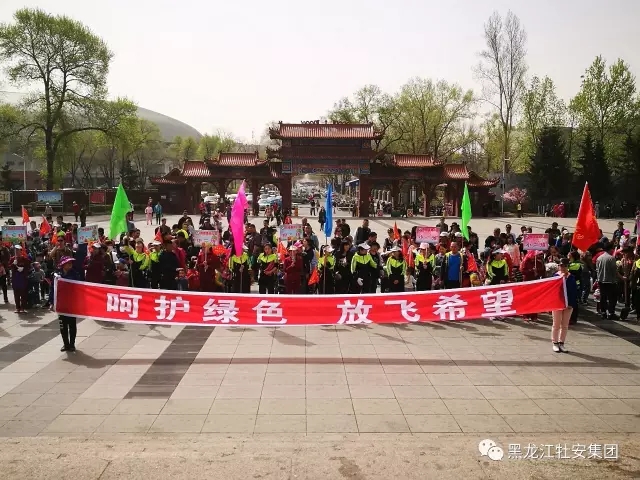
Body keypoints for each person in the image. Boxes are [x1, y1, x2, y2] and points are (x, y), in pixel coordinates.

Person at [50, 256, 80, 352]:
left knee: (72, 325)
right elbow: (52, 289)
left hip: (71, 303)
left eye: (71, 263)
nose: (70, 265)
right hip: (61, 304)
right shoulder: (57, 275)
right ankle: (65, 344)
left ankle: (72, 344)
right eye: (68, 263)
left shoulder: (75, 274)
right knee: (63, 325)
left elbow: (79, 287)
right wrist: (51, 302)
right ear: (63, 264)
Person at [552, 258, 577, 353]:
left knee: (565, 325)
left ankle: (561, 343)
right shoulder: (556, 276)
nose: (563, 268)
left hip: (568, 305)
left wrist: (571, 303)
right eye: (561, 266)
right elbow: (553, 290)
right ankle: (555, 343)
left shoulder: (572, 277)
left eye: (565, 266)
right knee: (556, 324)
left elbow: (574, 291)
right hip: (557, 304)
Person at [596, 242, 620, 320]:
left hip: (601, 281)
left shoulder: (599, 258)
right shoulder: (611, 258)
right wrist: (621, 277)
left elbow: (597, 269)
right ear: (610, 249)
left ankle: (603, 312)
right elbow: (614, 271)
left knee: (603, 297)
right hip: (610, 281)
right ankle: (611, 313)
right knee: (612, 298)